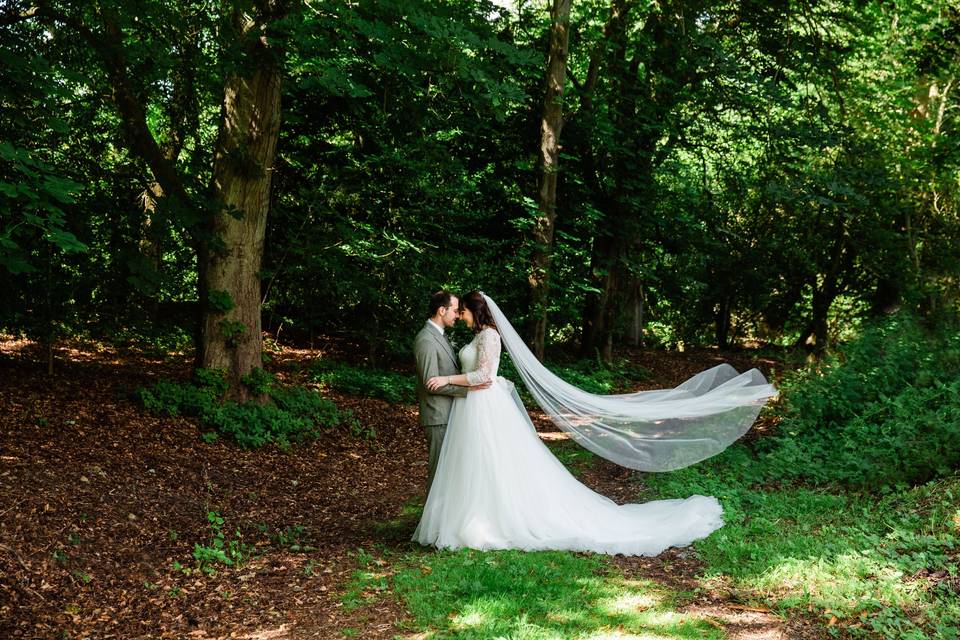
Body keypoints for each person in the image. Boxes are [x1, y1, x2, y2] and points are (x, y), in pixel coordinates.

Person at [413, 291, 775, 556]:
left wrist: (448, 381)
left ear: (474, 313)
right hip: (473, 409)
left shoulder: (490, 336)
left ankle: (491, 521)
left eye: (462, 311)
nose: (458, 315)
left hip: (484, 405)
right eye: (455, 311)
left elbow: (485, 377)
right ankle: (474, 520)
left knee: (494, 463)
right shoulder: (477, 336)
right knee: (477, 465)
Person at [412, 290, 491, 494]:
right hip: (438, 416)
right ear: (441, 310)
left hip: (450, 413)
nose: (458, 315)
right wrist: (468, 389)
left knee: (449, 473)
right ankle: (432, 524)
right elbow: (432, 383)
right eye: (455, 311)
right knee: (439, 472)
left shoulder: (440, 336)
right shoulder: (426, 340)